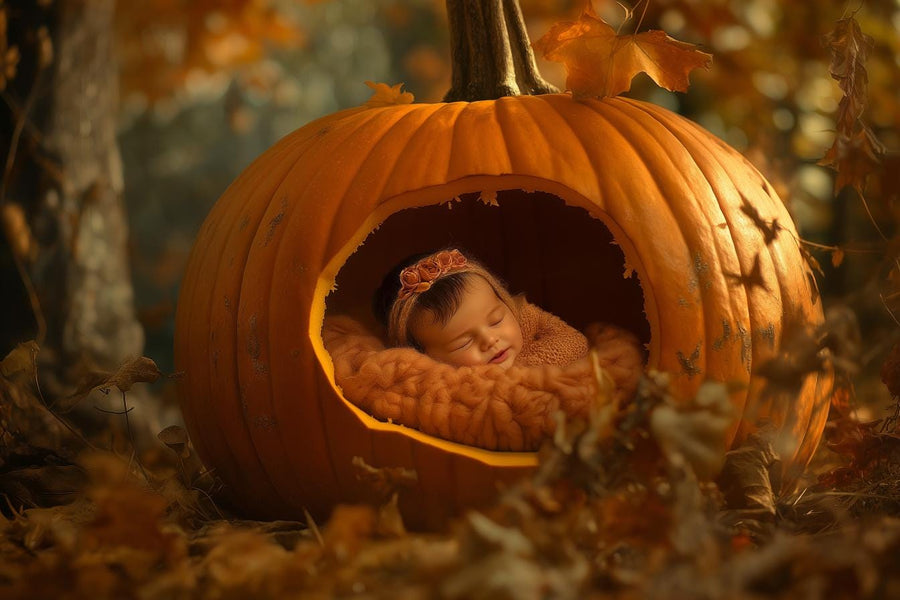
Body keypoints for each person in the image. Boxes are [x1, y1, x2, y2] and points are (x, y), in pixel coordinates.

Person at [372, 248, 592, 370]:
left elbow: (575, 343)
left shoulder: (523, 317)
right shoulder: (445, 386)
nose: (490, 340)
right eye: (463, 342)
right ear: (425, 357)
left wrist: (521, 370)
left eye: (495, 320)